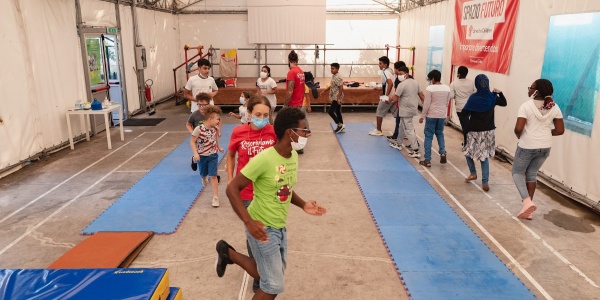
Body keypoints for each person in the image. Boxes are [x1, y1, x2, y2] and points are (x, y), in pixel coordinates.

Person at [217, 107, 327, 299]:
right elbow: (231, 189)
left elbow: (284, 188)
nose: (307, 133)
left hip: (279, 225)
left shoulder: (292, 156)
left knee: (267, 274)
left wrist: (303, 205)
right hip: (262, 226)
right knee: (272, 285)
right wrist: (248, 222)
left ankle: (228, 253)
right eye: (304, 130)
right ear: (290, 133)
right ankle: (227, 252)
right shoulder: (264, 159)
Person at [226, 95, 277, 293]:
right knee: (254, 237)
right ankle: (259, 276)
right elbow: (231, 156)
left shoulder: (273, 132)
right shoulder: (238, 132)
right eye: (257, 114)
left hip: (268, 193)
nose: (261, 118)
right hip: (246, 193)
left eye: (266, 115)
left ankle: (258, 271)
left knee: (269, 235)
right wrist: (231, 179)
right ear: (249, 113)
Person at [513, 79, 564, 220]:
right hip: (545, 147)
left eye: (531, 87)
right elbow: (560, 130)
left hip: (528, 146)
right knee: (532, 173)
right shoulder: (554, 107)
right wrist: (546, 133)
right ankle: (528, 211)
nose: (529, 89)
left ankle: (527, 201)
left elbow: (518, 128)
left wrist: (519, 135)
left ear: (536, 91)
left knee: (517, 172)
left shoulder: (526, 106)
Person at [462, 74, 507, 192]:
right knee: (484, 156)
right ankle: (485, 182)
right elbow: (504, 103)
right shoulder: (492, 97)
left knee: (467, 152)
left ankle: (473, 173)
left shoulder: (473, 98)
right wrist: (499, 92)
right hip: (489, 131)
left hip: (474, 131)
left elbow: (464, 114)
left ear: (476, 84)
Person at [190, 105, 224, 207]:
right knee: (203, 173)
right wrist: (196, 153)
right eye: (217, 119)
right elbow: (192, 142)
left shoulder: (215, 128)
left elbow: (216, 138)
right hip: (202, 156)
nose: (218, 121)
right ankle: (203, 177)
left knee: (213, 176)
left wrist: (219, 147)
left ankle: (215, 197)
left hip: (213, 155)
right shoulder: (198, 129)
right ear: (210, 119)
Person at [419, 70, 450, 167]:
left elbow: (427, 104)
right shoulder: (447, 88)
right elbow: (446, 103)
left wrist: (422, 116)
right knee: (440, 134)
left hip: (431, 115)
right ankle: (443, 152)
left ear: (432, 78)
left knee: (428, 137)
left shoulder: (430, 88)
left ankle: (427, 160)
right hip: (441, 115)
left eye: (430, 79)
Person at [389, 66, 422, 158]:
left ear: (406, 74)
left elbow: (395, 98)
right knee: (402, 126)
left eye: (401, 74)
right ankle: (399, 144)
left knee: (409, 129)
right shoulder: (415, 82)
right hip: (412, 108)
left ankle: (415, 150)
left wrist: (389, 99)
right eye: (398, 74)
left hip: (405, 109)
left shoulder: (402, 85)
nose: (399, 76)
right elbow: (422, 96)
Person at [450, 66, 476, 145]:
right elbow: (475, 92)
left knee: (465, 127)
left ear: (458, 74)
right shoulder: (472, 82)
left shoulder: (454, 83)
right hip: (471, 107)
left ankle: (467, 144)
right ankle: (468, 142)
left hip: (460, 108)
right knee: (469, 125)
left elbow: (451, 96)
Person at [368, 56, 395, 136]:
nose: (379, 65)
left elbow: (390, 83)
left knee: (379, 112)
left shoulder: (385, 72)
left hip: (388, 96)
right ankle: (404, 132)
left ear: (385, 65)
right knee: (398, 115)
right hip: (394, 96)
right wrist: (379, 87)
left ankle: (378, 130)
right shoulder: (390, 71)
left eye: (380, 63)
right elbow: (386, 84)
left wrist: (386, 96)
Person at [187, 93, 211, 172]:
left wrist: (219, 131)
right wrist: (192, 132)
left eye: (204, 105)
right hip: (199, 138)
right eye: (199, 105)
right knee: (201, 154)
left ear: (209, 104)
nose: (202, 107)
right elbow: (188, 124)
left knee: (210, 153)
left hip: (209, 137)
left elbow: (219, 121)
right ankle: (194, 159)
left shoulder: (211, 114)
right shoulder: (194, 115)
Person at [320, 63, 345, 133]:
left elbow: (341, 87)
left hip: (336, 97)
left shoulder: (338, 77)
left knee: (330, 111)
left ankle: (339, 125)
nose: (331, 70)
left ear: (337, 69)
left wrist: (338, 98)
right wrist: (324, 91)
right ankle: (342, 127)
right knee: (338, 111)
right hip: (335, 95)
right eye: (331, 68)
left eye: (333, 68)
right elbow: (331, 86)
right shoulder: (334, 76)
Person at [387, 61, 407, 141]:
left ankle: (398, 138)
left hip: (403, 105)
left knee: (404, 123)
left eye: (395, 68)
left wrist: (390, 99)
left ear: (398, 69)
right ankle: (396, 136)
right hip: (407, 105)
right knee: (401, 121)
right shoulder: (411, 79)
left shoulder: (399, 80)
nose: (394, 70)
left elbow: (397, 94)